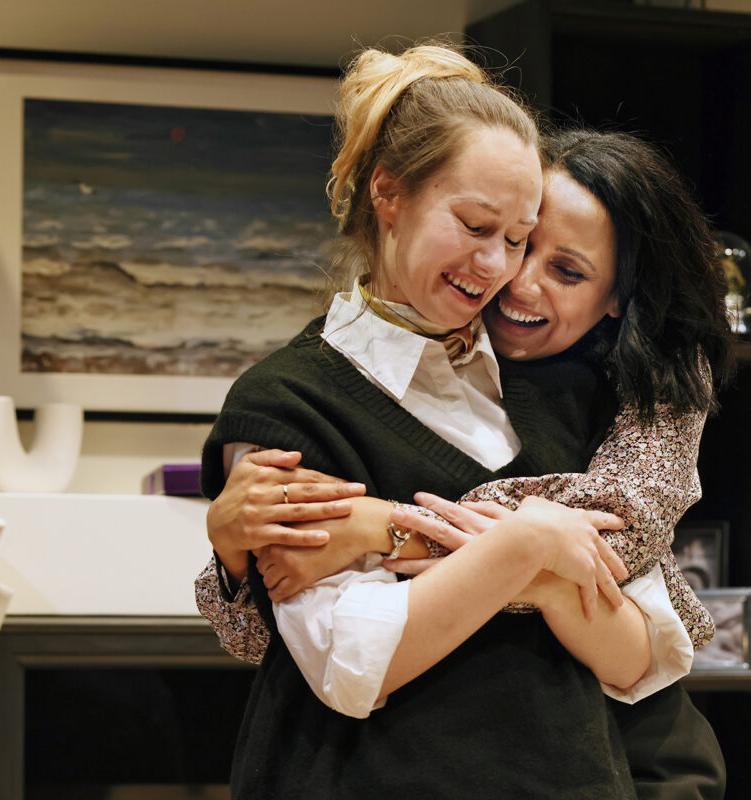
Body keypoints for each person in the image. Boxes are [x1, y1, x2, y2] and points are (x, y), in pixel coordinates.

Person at [199, 44, 700, 799]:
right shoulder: (287, 402)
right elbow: (351, 664)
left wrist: (387, 530)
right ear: (388, 194)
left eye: (518, 237)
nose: (500, 267)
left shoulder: (559, 383)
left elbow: (643, 657)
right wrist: (528, 544)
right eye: (474, 225)